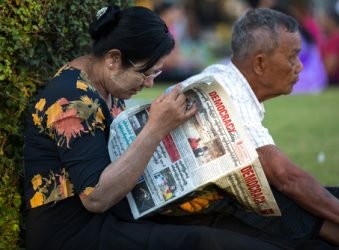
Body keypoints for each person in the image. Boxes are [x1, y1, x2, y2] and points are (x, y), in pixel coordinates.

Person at [23, 5, 291, 250]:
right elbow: (95, 197)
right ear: (114, 59)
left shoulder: (108, 84)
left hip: (115, 214)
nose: (149, 83)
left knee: (220, 219)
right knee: (202, 241)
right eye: (145, 73)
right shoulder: (70, 100)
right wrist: (157, 128)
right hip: (70, 232)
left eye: (156, 74)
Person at [178, 8, 339, 249]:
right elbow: (287, 178)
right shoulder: (229, 89)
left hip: (210, 211)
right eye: (292, 57)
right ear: (259, 63)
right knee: (300, 201)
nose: (299, 67)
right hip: (198, 215)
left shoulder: (218, 75)